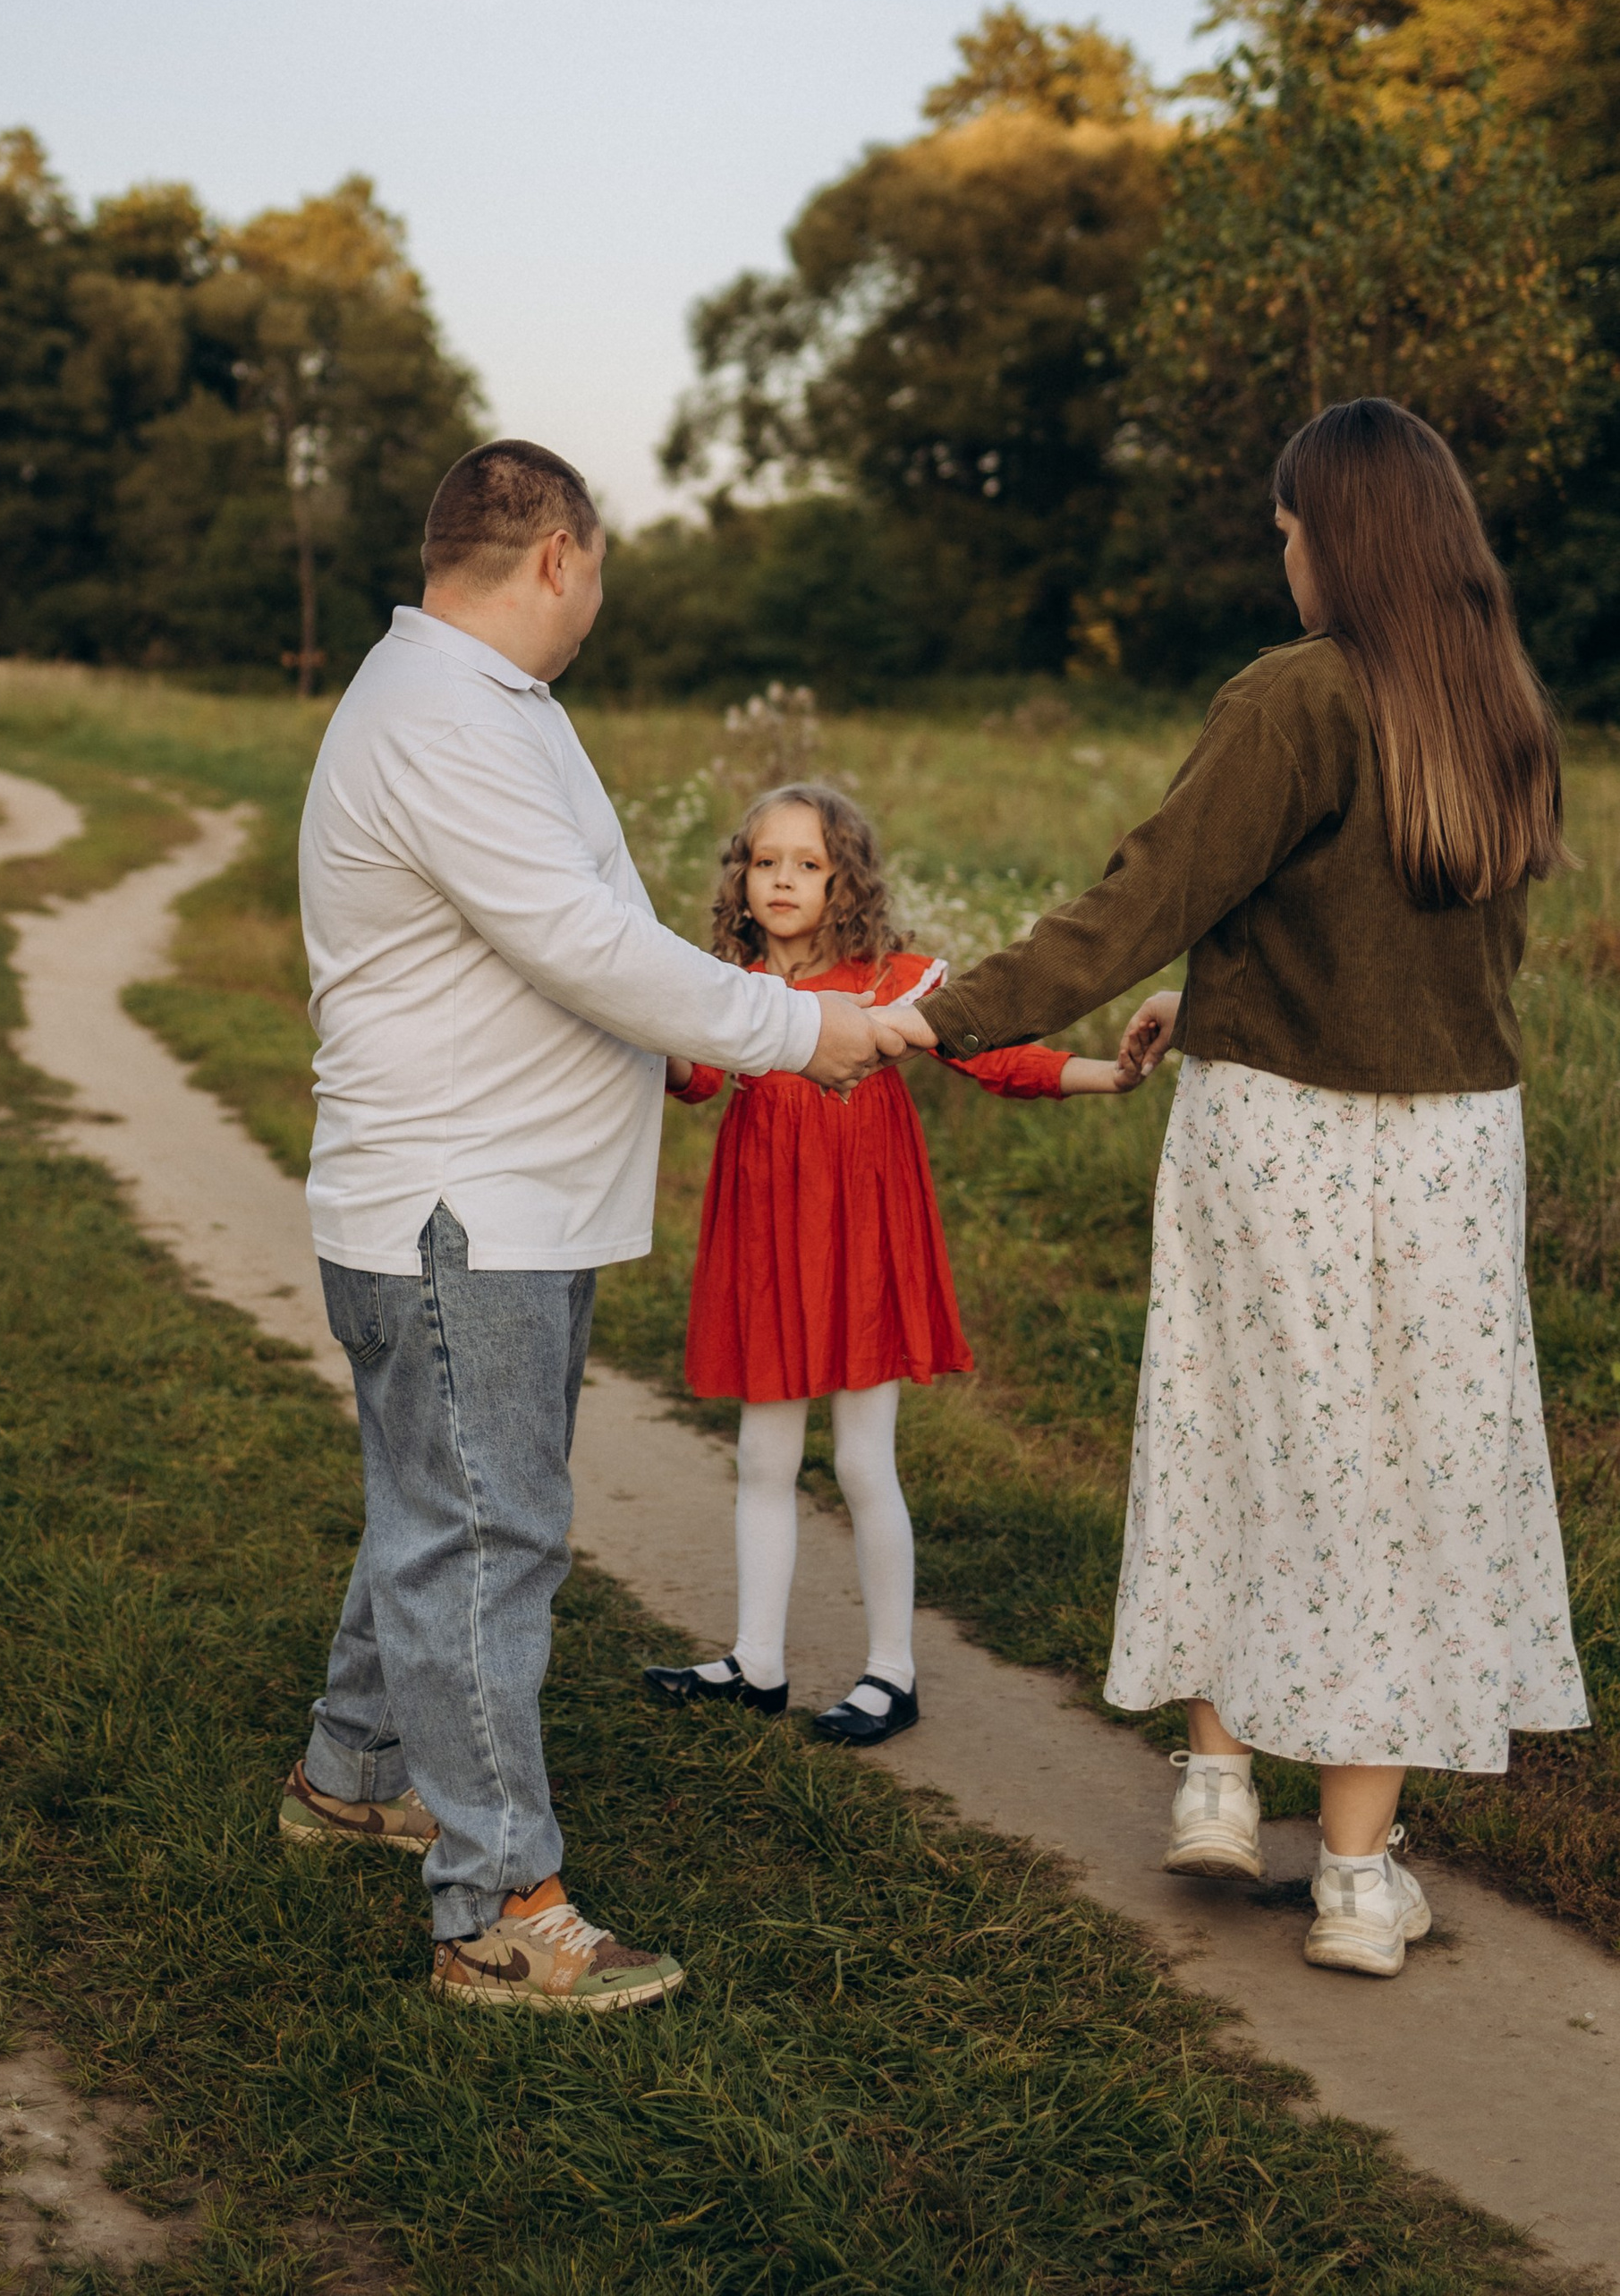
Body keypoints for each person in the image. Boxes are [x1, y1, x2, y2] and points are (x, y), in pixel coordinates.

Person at [872, 399, 1589, 1979]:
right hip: (1454, 1150)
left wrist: (946, 1014)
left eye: (1286, 531)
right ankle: (1348, 1875)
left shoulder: (1293, 698)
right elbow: (1419, 956)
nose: (1283, 558)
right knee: (1405, 1478)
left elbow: (1147, 893)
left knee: (1243, 1420)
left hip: (1282, 1142)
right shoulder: (1502, 708)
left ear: (1336, 534)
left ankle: (1216, 1778)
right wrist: (1214, 997)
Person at [281, 440, 897, 2011]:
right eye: (600, 568)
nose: (598, 596)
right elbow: (577, 942)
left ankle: (354, 1775)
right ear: (556, 555)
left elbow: (599, 936)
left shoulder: (490, 708)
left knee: (446, 1507)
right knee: (484, 1535)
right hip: (455, 1209)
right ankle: (499, 1909)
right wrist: (789, 1026)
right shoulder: (436, 716)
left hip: (507, 1205)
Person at [642, 780, 1146, 1746]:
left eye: (807, 864)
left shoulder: (892, 982)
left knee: (865, 1462)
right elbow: (698, 1078)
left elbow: (996, 1057)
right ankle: (757, 1663)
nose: (781, 879)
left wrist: (1108, 1075)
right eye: (764, 861)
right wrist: (646, 1034)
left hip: (862, 1238)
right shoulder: (728, 983)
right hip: (764, 1237)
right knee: (762, 1454)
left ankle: (891, 1672)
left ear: (847, 883)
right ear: (740, 879)